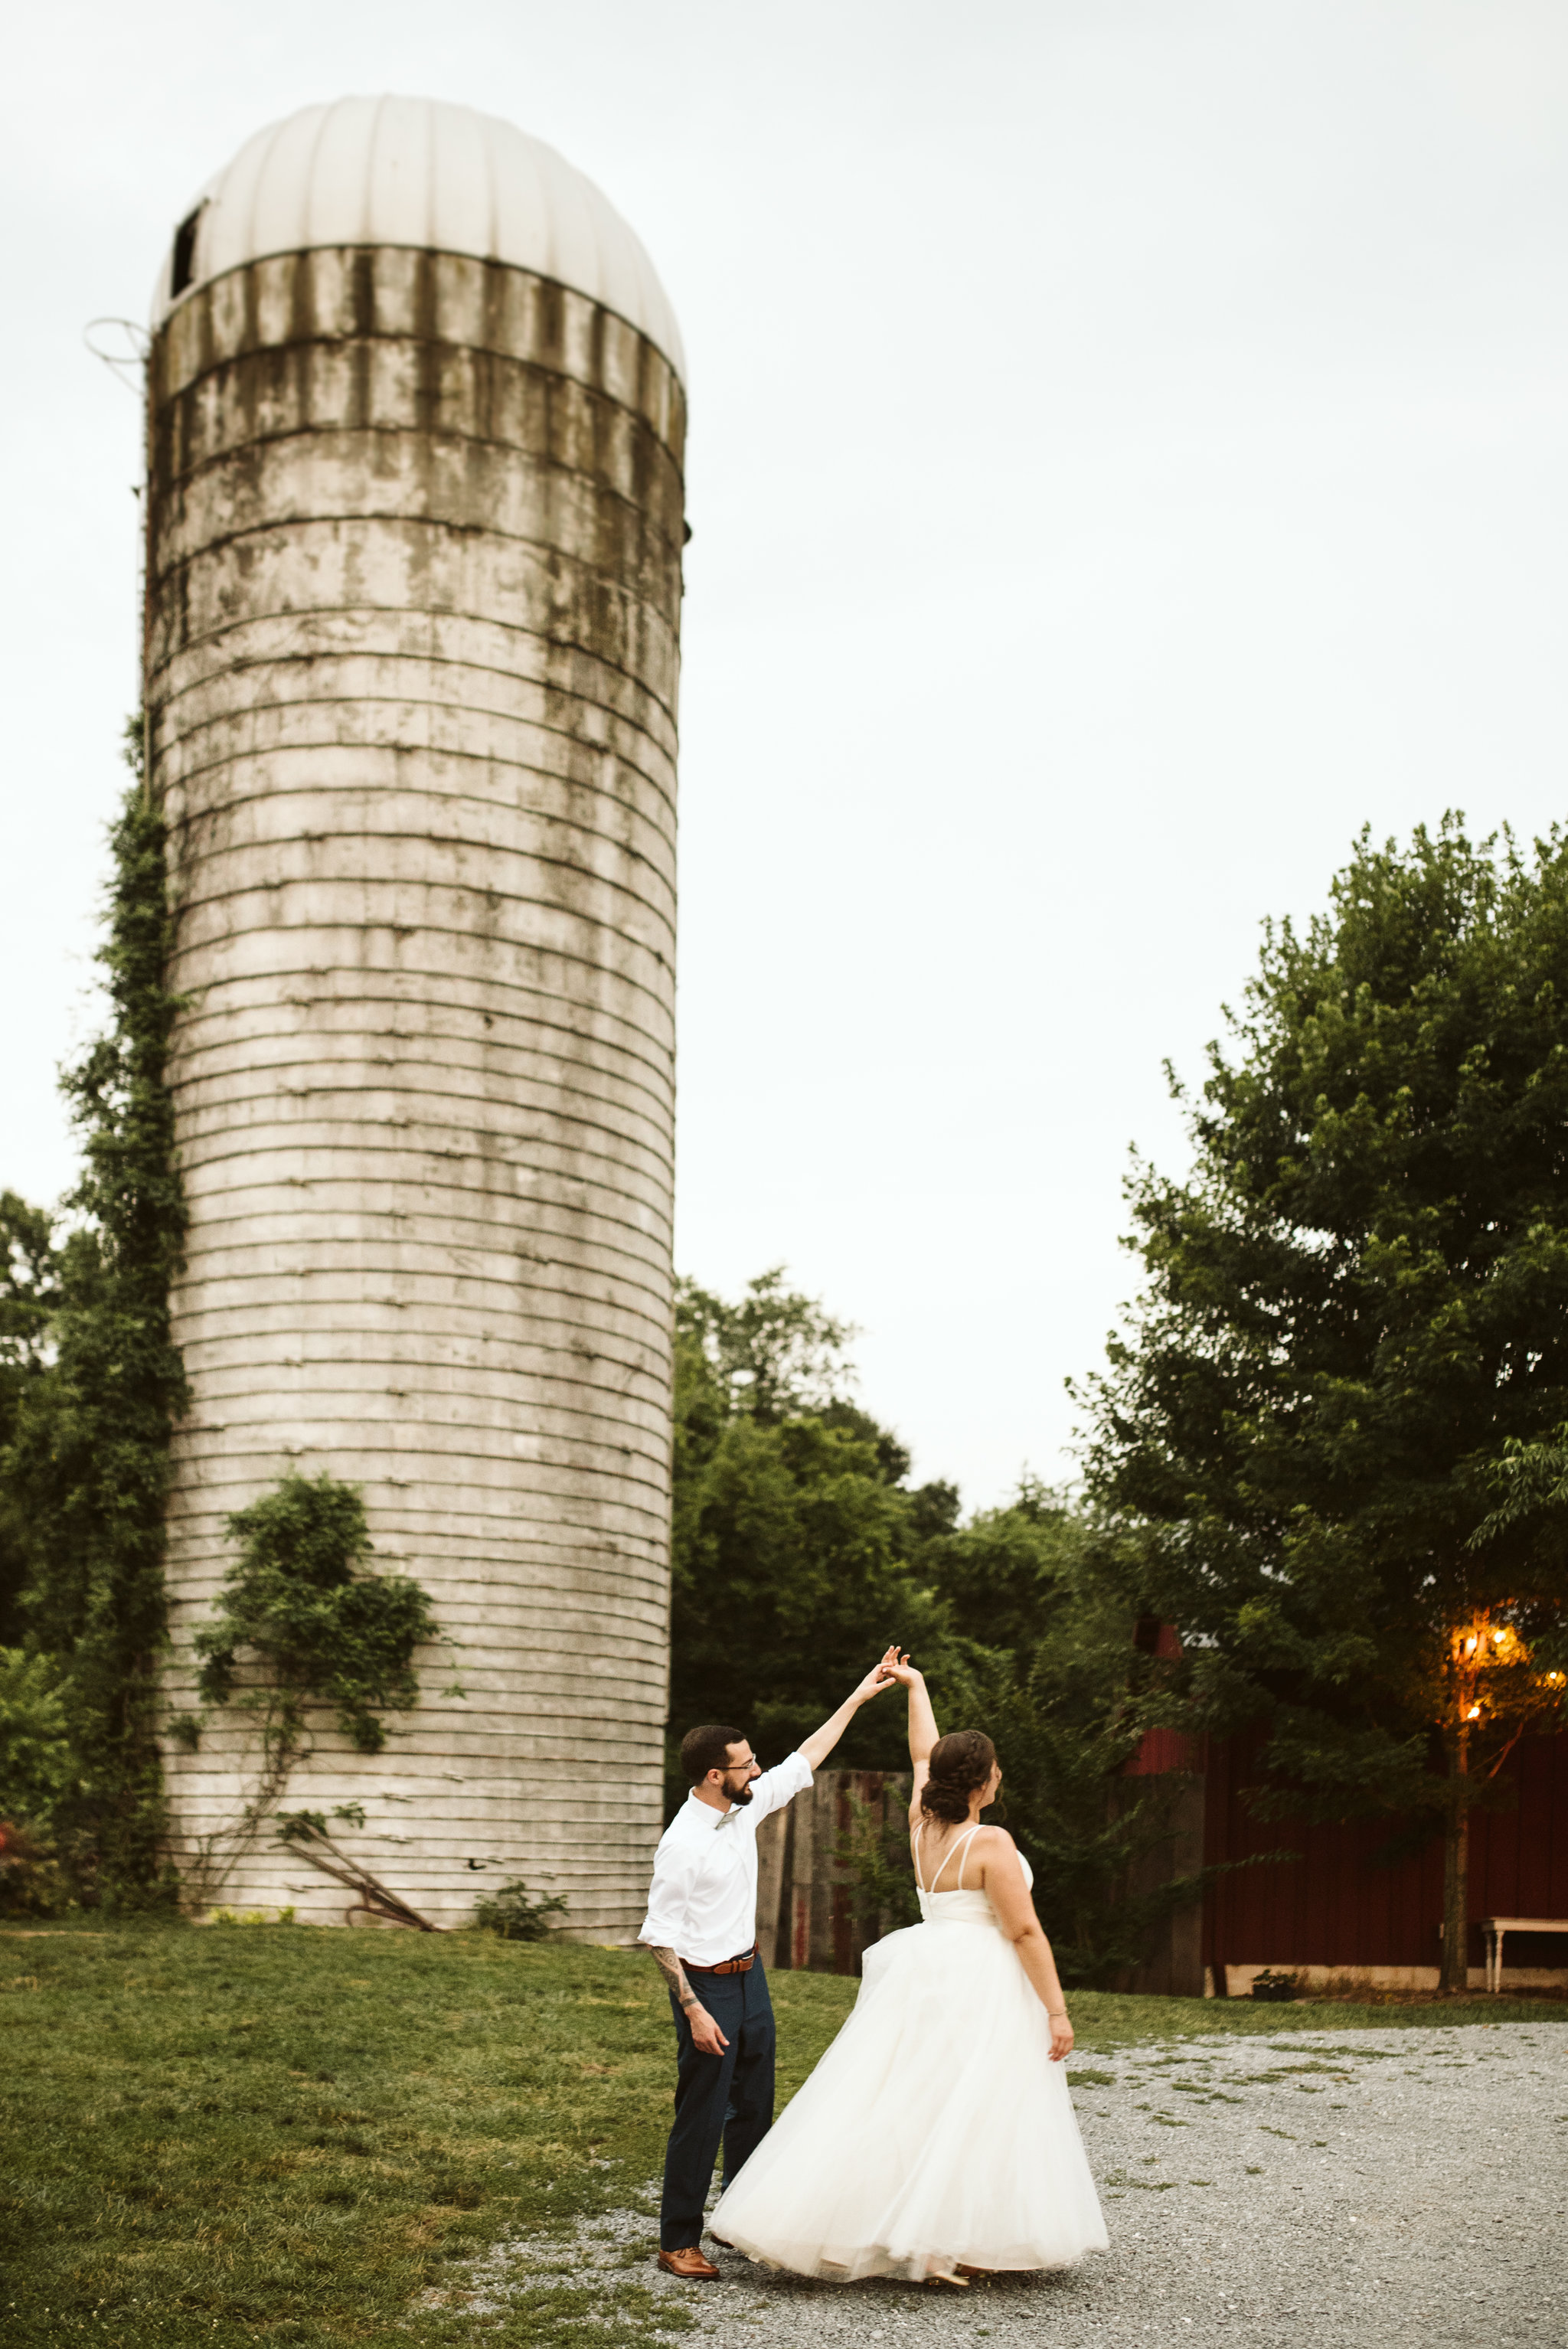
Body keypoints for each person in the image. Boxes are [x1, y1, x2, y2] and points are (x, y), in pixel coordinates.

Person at [708, 1656, 1109, 2285]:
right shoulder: (991, 1843)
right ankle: (936, 2240)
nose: (1001, 1776)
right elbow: (1025, 1930)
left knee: (912, 2097)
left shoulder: (924, 1822)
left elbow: (924, 1753)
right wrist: (1056, 2009)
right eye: (996, 1769)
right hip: (980, 1977)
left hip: (927, 1968)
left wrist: (917, 1688)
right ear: (981, 1782)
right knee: (971, 2102)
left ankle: (925, 2238)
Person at [639, 1649, 903, 2279]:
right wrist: (694, 2011)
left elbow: (805, 1757)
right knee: (701, 2114)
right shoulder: (682, 1845)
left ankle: (740, 2216)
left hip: (749, 1978)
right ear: (711, 1775)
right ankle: (678, 2240)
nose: (757, 1768)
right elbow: (658, 1936)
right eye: (745, 1763)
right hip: (705, 1987)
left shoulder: (742, 1807)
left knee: (755, 2103)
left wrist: (860, 1695)